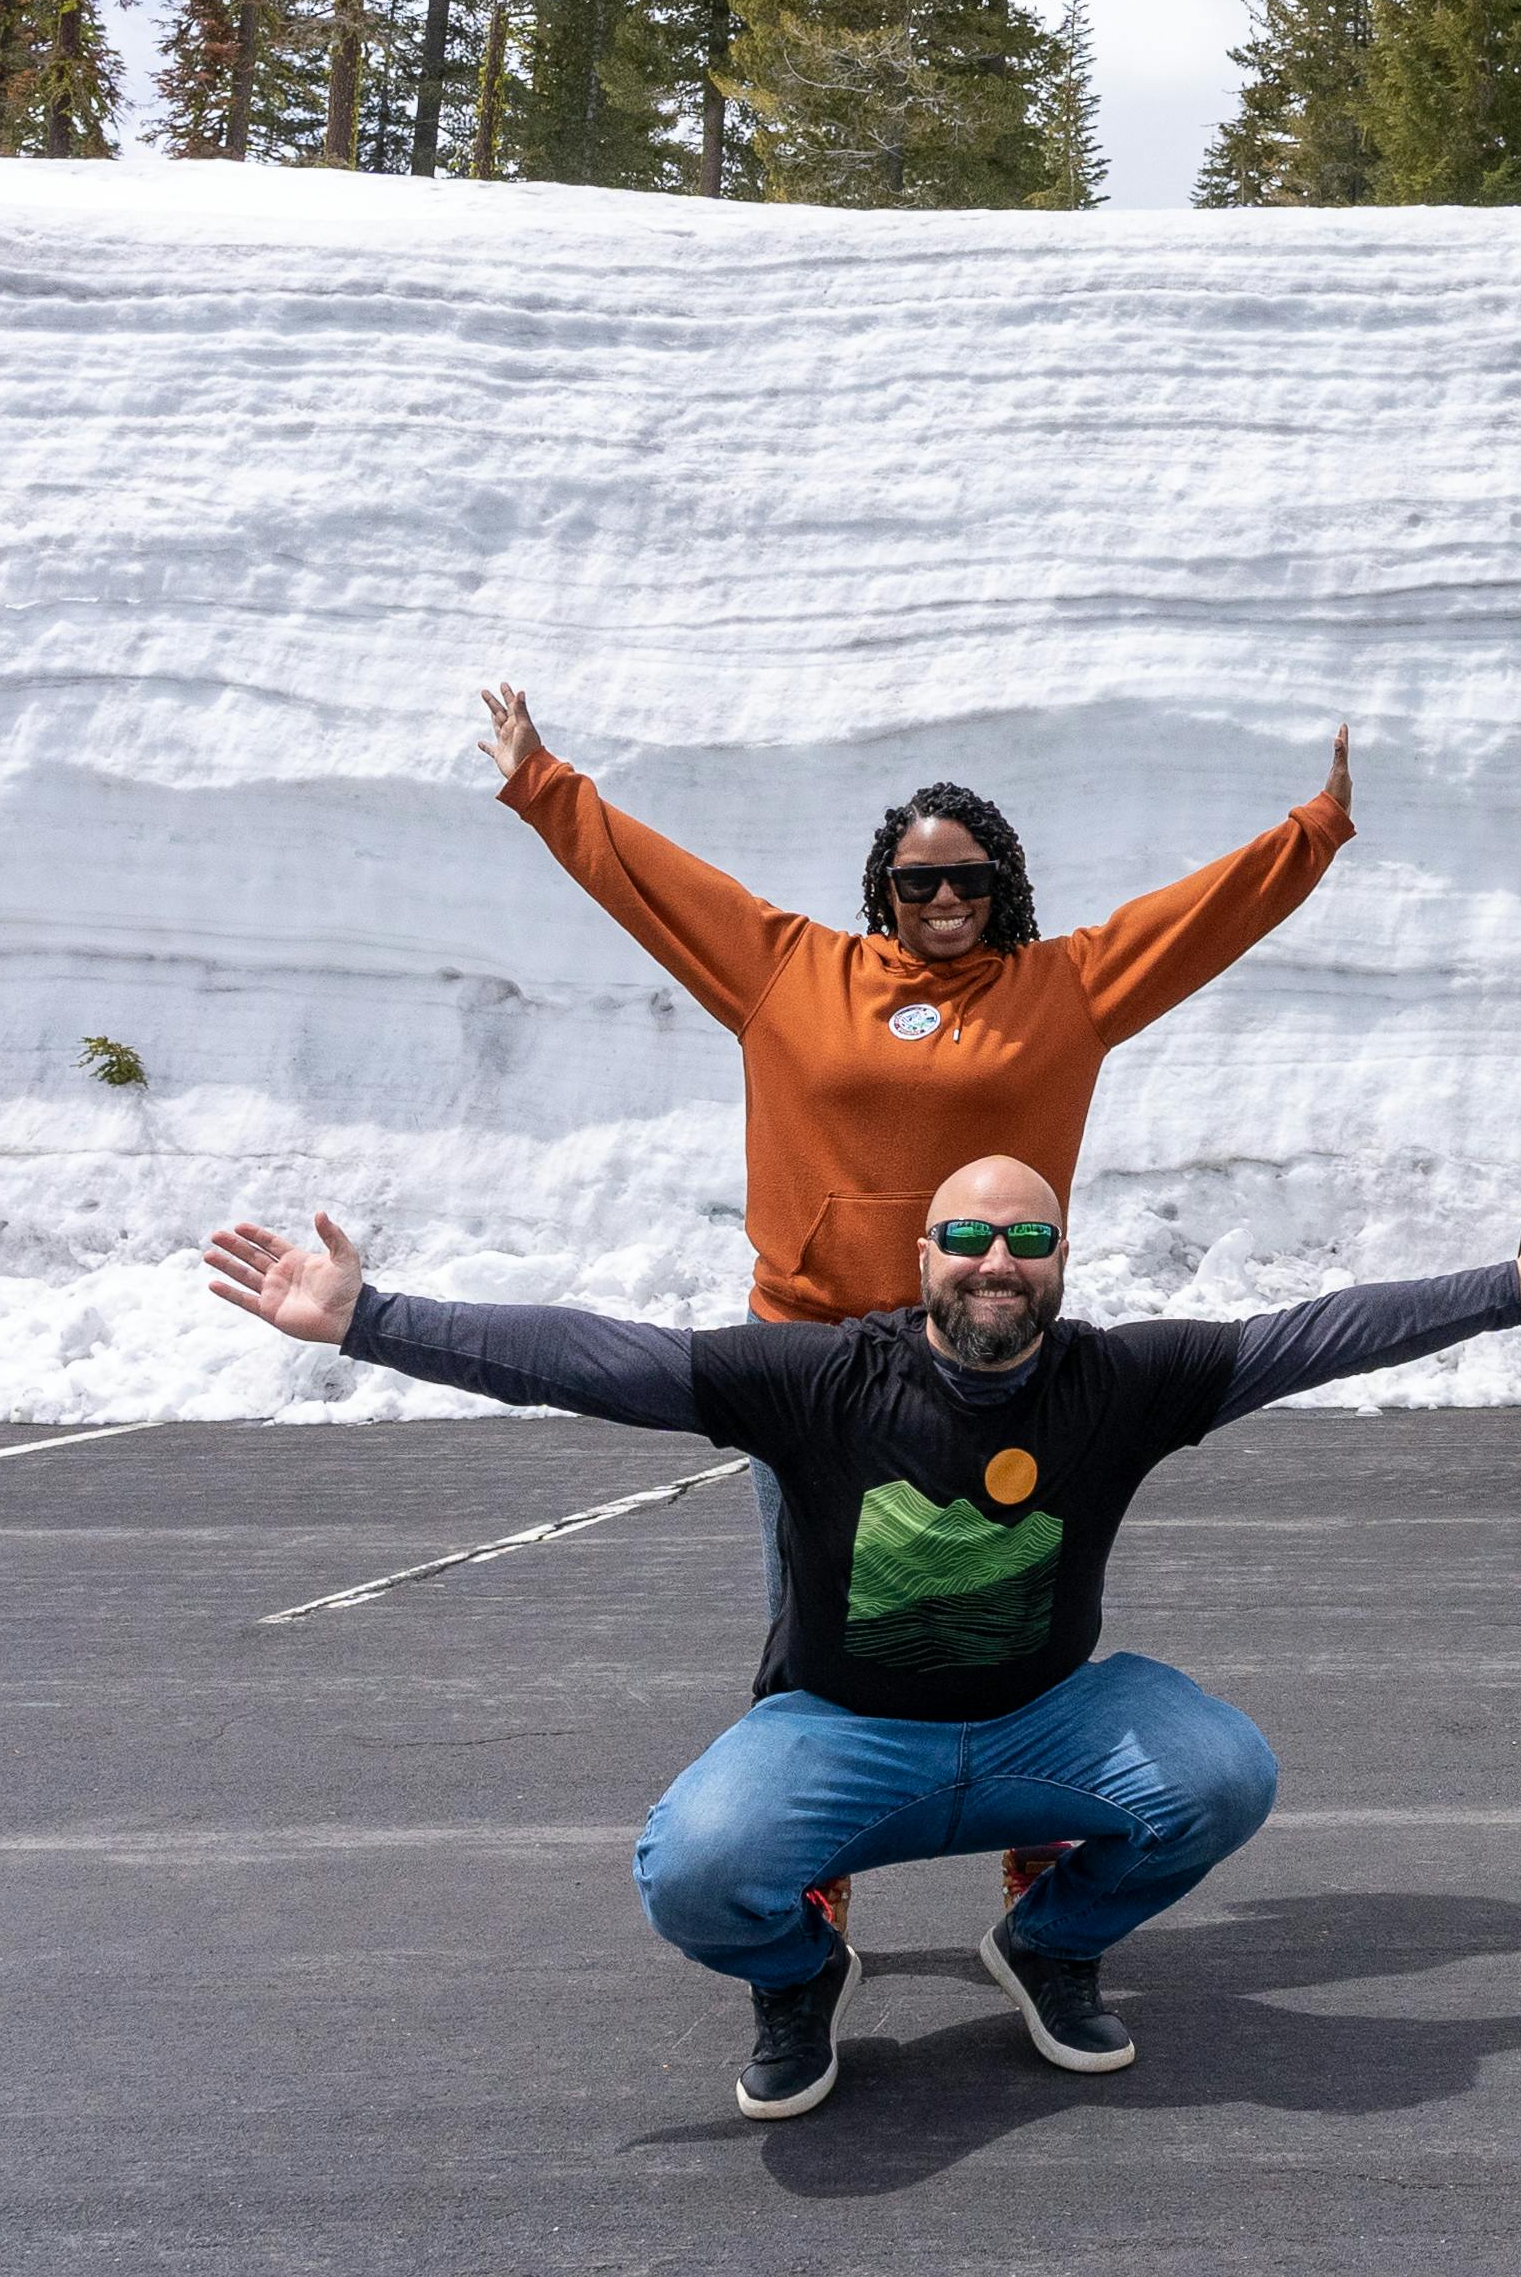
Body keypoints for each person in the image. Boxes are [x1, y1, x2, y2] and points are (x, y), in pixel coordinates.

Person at [203, 1156, 1521, 2122]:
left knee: (1222, 1770)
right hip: (841, 1735)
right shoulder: (825, 1376)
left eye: (1027, 1236)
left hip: (1042, 1722)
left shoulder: (1126, 1378)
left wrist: (1504, 1288)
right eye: (967, 1236)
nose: (995, 1260)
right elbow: (592, 1355)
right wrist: (370, 1318)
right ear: (924, 1256)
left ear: (1061, 1257)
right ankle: (800, 1972)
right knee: (695, 1869)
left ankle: (1049, 1933)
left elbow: (1317, 1330)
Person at [479, 688, 1356, 1920]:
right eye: (916, 882)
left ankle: (1043, 1827)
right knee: (811, 1610)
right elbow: (655, 884)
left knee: (1022, 1604)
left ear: (1005, 887)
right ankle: (809, 1855)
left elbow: (1201, 920)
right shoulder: (788, 968)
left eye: (970, 881)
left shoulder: (1067, 989)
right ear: (879, 889)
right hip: (814, 1367)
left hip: (996, 1361)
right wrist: (542, 783)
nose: (944, 903)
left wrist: (1314, 827)